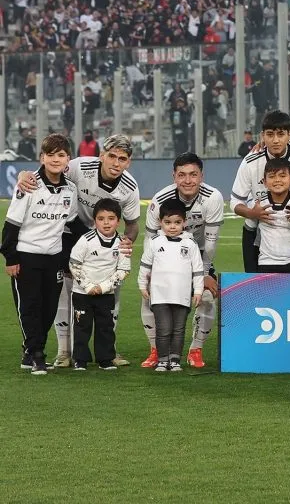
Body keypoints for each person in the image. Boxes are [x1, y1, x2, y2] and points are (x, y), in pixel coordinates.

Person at [17, 133, 141, 367]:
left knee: (110, 293)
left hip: (104, 243)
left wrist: (127, 242)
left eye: (122, 159)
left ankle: (109, 351)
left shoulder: (130, 188)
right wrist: (26, 175)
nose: (116, 163)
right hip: (67, 235)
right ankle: (64, 352)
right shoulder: (79, 166)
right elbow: (49, 171)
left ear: (129, 162)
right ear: (101, 155)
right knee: (66, 292)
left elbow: (133, 223)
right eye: (111, 156)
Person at [2, 134, 83, 375]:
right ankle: (37, 354)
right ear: (42, 157)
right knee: (30, 307)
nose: (55, 160)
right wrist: (11, 257)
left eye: (61, 155)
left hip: (54, 258)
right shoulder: (28, 185)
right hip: (26, 257)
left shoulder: (70, 189)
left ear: (68, 159)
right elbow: (11, 224)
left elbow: (73, 223)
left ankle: (30, 353)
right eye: (50, 155)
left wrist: (99, 238)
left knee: (48, 310)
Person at [139, 153, 223, 369]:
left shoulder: (213, 197)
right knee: (149, 297)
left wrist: (204, 274)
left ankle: (195, 349)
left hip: (198, 255)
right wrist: (149, 274)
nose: (188, 180)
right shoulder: (159, 200)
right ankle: (156, 350)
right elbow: (150, 240)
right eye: (182, 175)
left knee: (206, 296)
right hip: (164, 256)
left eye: (193, 175)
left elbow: (211, 243)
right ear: (173, 176)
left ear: (202, 176)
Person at [230, 110, 290, 273]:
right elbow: (235, 202)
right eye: (270, 135)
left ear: (289, 135)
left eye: (281, 134)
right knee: (256, 288)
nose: (275, 140)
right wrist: (253, 213)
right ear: (263, 136)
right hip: (256, 229)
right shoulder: (251, 161)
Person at [138, 199, 205, 372]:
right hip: (160, 294)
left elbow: (197, 270)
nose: (172, 226)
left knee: (178, 329)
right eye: (167, 222)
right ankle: (162, 360)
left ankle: (175, 360)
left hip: (182, 294)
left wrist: (197, 291)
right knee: (164, 329)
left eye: (177, 222)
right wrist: (142, 285)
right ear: (161, 222)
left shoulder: (190, 244)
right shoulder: (155, 242)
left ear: (184, 222)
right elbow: (145, 265)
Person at [68, 198, 131, 371]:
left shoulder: (123, 243)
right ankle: (80, 360)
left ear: (118, 221)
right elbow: (74, 265)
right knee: (82, 327)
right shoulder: (85, 240)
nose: (106, 223)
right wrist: (88, 286)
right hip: (82, 293)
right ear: (95, 220)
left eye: (111, 218)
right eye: (101, 219)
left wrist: (103, 287)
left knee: (106, 327)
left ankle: (105, 359)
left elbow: (124, 270)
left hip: (106, 294)